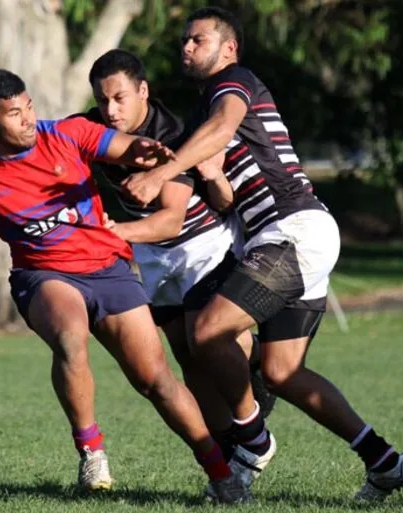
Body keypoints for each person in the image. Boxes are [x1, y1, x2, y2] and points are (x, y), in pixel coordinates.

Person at [0, 69, 251, 503]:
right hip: (45, 276)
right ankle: (92, 452)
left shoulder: (69, 134)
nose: (28, 119)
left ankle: (222, 474)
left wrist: (142, 151)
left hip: (109, 269)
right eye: (15, 114)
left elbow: (121, 146)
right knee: (71, 338)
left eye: (29, 106)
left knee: (157, 381)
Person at [122, 6, 403, 501]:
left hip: (293, 230)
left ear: (229, 48)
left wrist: (157, 174)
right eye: (184, 42)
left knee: (210, 331)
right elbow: (223, 199)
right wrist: (211, 176)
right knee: (282, 372)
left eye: (197, 40)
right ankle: (385, 461)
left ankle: (253, 439)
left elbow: (223, 127)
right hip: (275, 238)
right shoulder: (202, 113)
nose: (186, 48)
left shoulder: (233, 83)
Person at [79, 49, 276, 462]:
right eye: (102, 100)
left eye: (120, 98)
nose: (110, 110)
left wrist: (109, 233)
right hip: (153, 255)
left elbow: (170, 221)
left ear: (143, 91)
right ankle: (229, 451)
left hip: (201, 246)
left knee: (203, 340)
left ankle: (257, 369)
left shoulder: (171, 134)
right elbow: (53, 139)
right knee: (187, 358)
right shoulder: (94, 129)